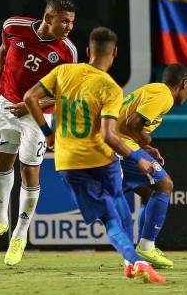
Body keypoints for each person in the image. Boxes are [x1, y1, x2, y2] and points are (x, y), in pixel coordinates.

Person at [23, 27, 167, 284]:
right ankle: (135, 261)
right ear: (114, 53)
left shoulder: (63, 71)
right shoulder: (110, 88)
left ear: (88, 51)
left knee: (111, 218)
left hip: (71, 163)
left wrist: (47, 133)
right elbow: (110, 136)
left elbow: (30, 98)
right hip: (104, 160)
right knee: (119, 208)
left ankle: (132, 261)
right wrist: (139, 158)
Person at [0, 0, 79, 266]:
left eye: (72, 22)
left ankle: (20, 235)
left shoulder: (68, 52)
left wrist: (32, 105)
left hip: (36, 116)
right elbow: (2, 51)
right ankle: (0, 220)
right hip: (6, 106)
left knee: (29, 171)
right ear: (48, 18)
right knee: (1, 162)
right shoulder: (14, 26)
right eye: (64, 21)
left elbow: (66, 94)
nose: (69, 27)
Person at [117, 63, 187, 269]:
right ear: (184, 83)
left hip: (114, 144)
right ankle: (147, 247)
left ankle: (143, 248)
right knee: (165, 185)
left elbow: (127, 122)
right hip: (120, 147)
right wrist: (146, 141)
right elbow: (133, 123)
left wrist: (144, 146)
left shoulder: (152, 89)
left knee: (151, 194)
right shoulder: (164, 96)